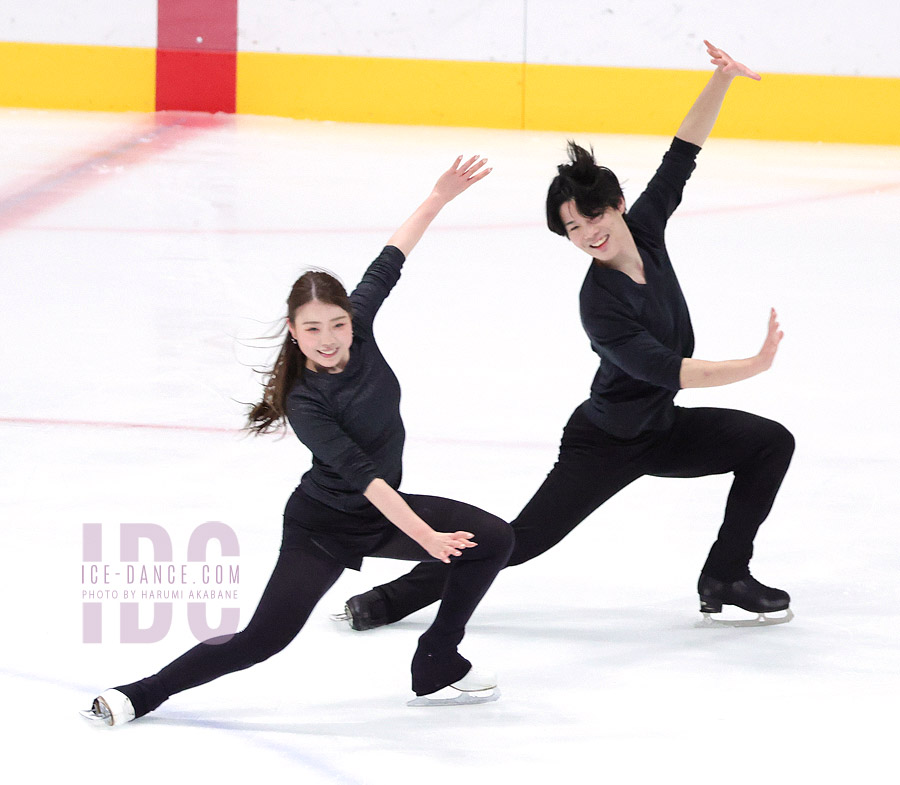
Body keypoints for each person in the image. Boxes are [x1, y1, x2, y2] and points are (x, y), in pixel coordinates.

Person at [336, 40, 795, 633]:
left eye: (593, 218)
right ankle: (389, 600)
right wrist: (753, 364)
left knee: (769, 443)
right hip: (604, 442)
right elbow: (668, 371)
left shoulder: (647, 229)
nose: (587, 235)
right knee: (517, 543)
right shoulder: (599, 304)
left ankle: (726, 575)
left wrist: (722, 79)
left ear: (618, 206)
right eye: (573, 229)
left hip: (660, 429)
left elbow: (683, 151)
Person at [81, 155, 515, 726]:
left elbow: (391, 260)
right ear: (293, 331)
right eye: (312, 329)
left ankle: (436, 658)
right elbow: (368, 479)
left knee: (494, 539)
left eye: (337, 324)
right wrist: (426, 536)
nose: (328, 339)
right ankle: (141, 692)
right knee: (265, 638)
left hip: (382, 514)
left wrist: (438, 197)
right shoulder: (305, 400)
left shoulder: (359, 327)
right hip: (325, 524)